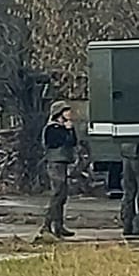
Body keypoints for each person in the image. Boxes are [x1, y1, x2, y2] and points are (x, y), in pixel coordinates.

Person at [41, 102, 78, 239]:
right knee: (57, 194)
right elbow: (56, 143)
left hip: (63, 162)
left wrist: (70, 130)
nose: (69, 113)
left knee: (62, 195)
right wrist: (67, 131)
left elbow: (73, 142)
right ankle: (47, 224)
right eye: (66, 111)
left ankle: (58, 225)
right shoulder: (52, 128)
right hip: (55, 163)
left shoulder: (66, 127)